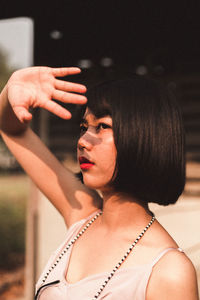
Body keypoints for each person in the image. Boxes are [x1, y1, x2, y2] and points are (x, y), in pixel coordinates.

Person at [0, 66, 199, 300]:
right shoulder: (82, 217)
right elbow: (11, 130)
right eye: (84, 127)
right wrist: (10, 90)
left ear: (143, 135)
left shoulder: (168, 271)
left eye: (102, 126)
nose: (83, 141)